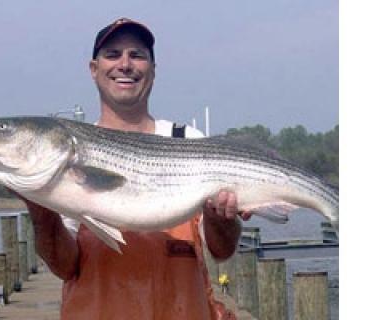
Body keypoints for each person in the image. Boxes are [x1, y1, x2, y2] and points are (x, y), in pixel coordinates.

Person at [22, 17, 251, 320]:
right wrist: (40, 210)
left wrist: (222, 220)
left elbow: (221, 251)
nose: (125, 64)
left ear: (153, 72)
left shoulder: (188, 142)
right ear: (94, 69)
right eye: (113, 54)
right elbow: (65, 266)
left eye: (137, 55)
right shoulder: (68, 156)